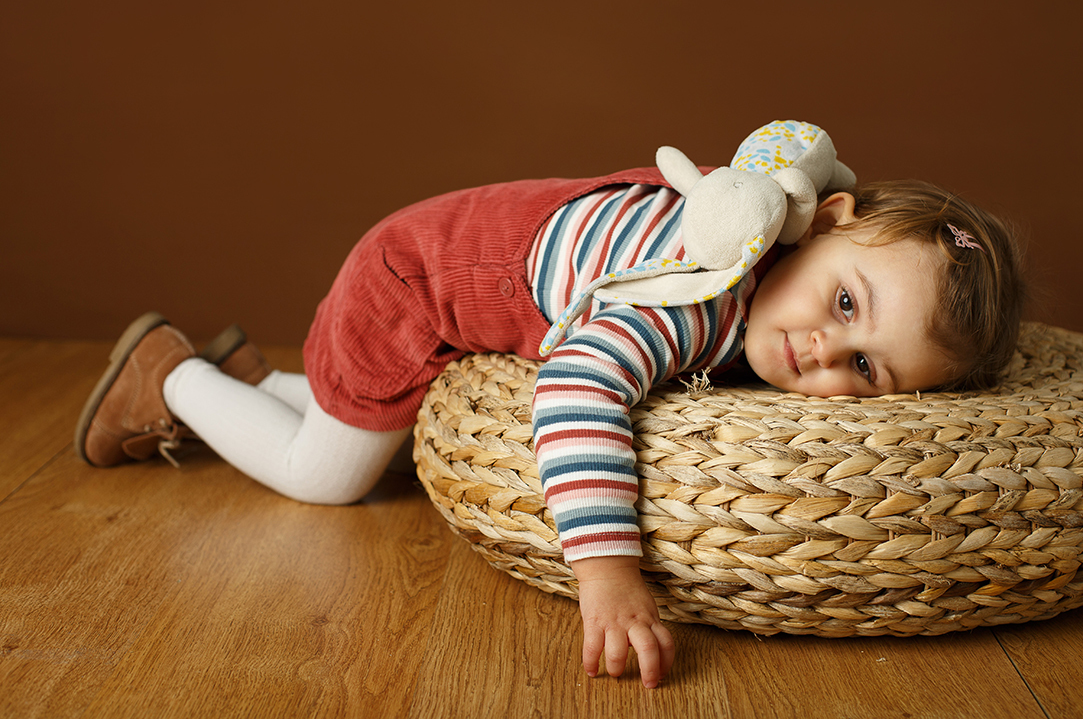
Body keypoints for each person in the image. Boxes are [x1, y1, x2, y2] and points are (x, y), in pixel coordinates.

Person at [74, 121, 1026, 689]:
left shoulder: (765, 242)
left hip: (459, 232)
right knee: (329, 478)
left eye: (864, 372)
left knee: (350, 428)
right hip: (411, 283)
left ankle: (259, 383)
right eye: (846, 303)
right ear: (825, 220)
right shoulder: (688, 297)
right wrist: (607, 573)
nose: (822, 350)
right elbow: (575, 391)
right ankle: (170, 375)